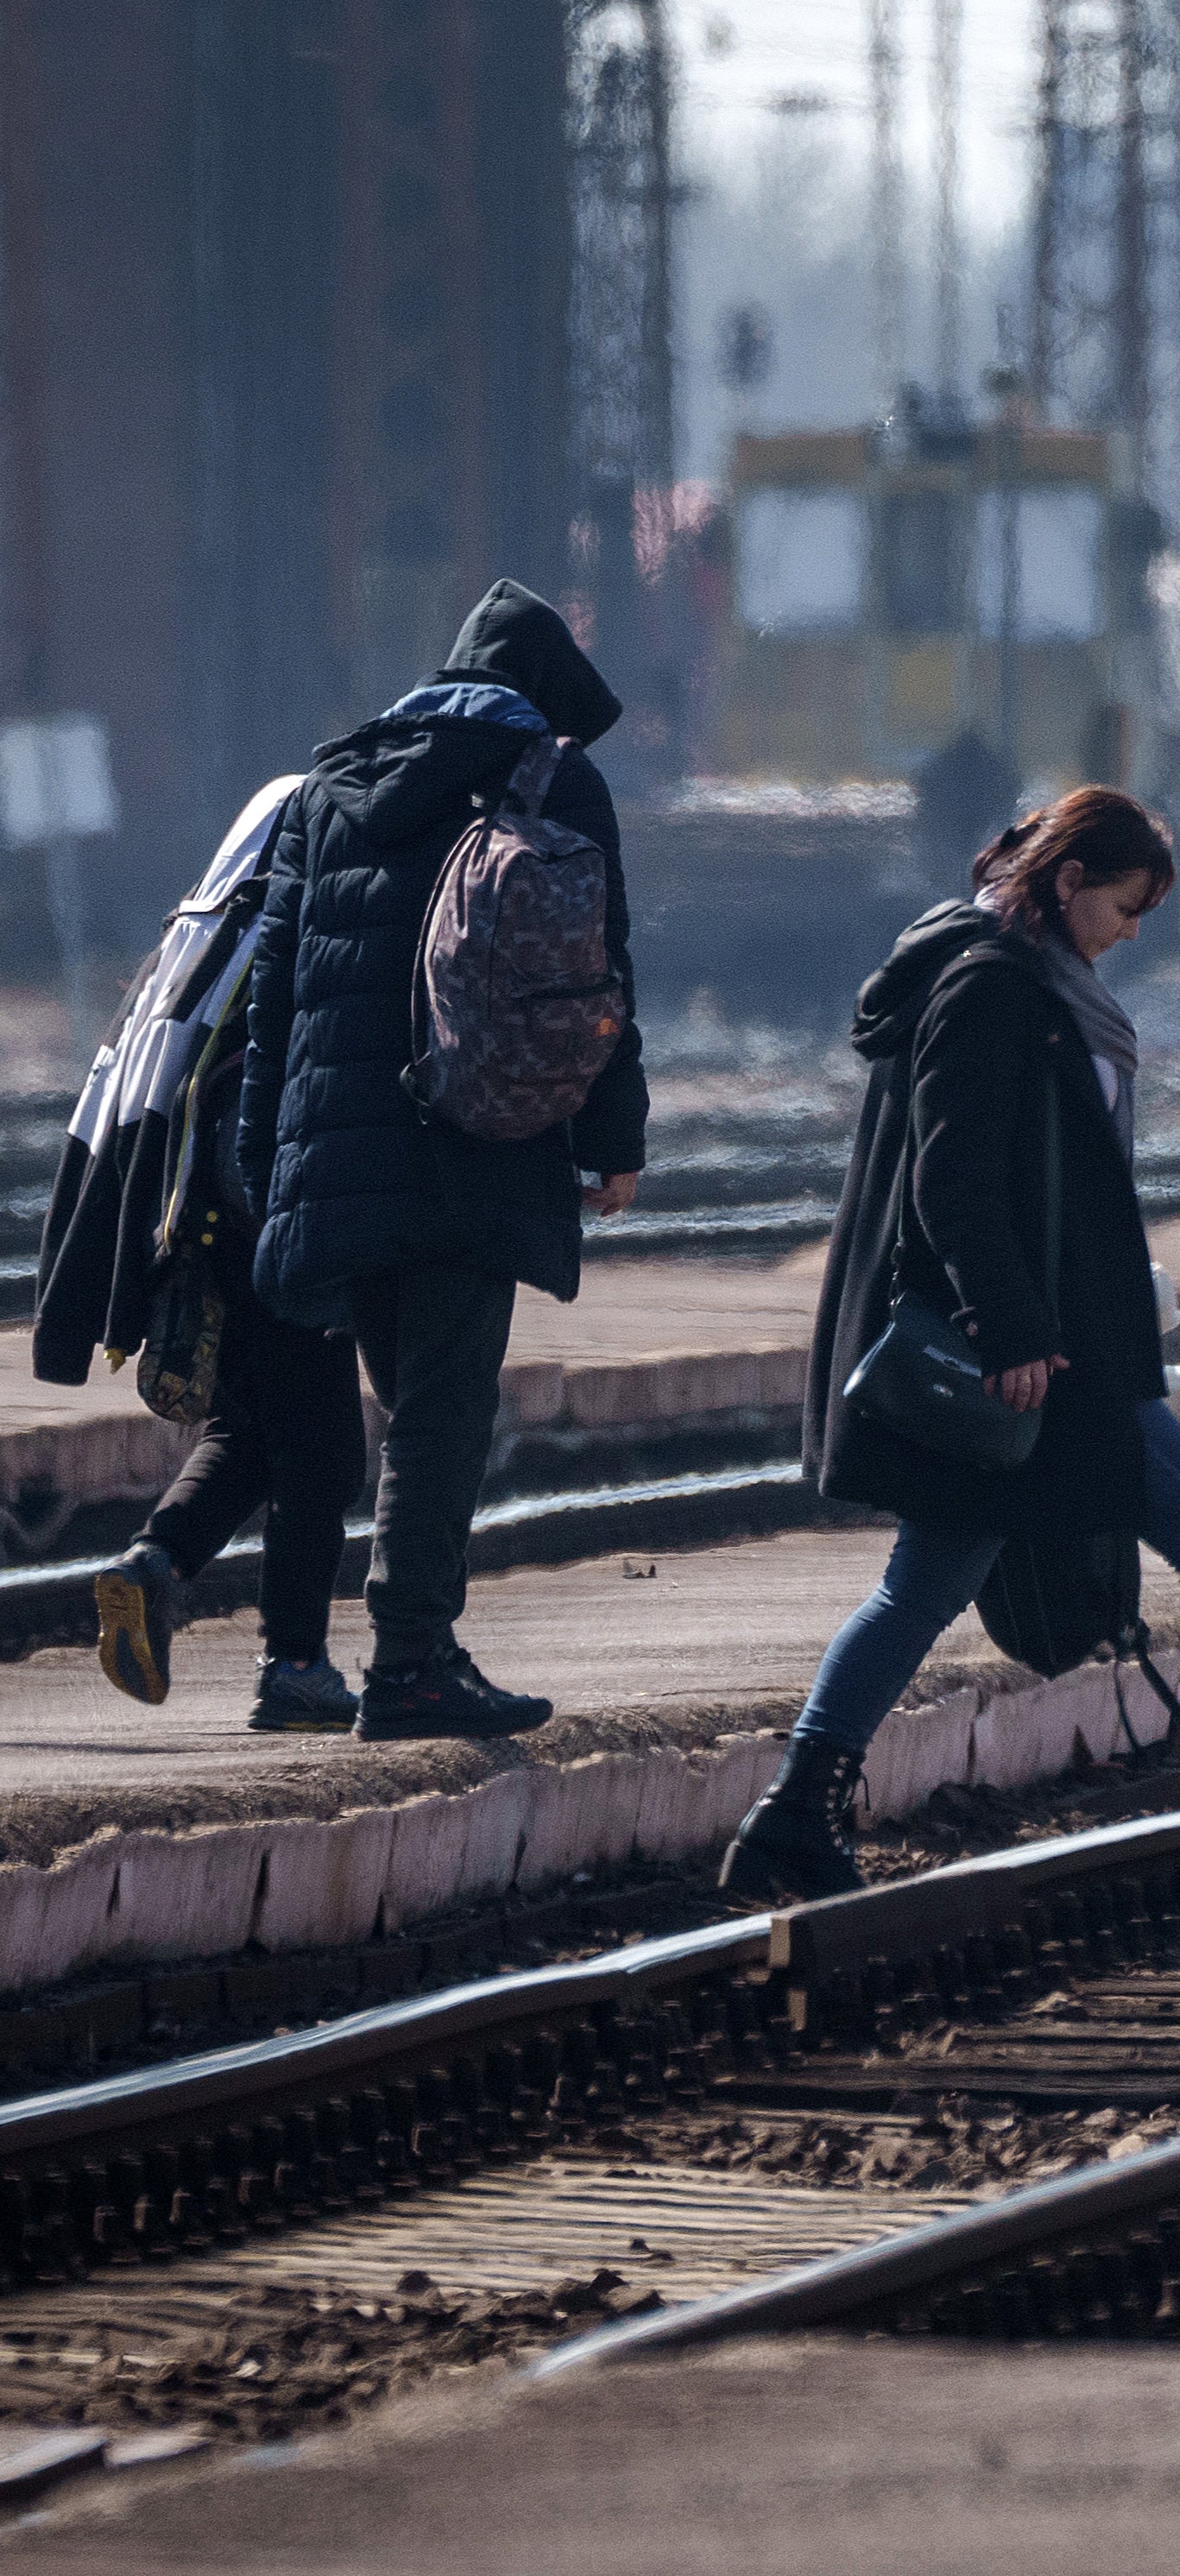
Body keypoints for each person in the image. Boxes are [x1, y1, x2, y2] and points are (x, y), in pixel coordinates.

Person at [718, 787, 1180, 1903]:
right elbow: (952, 1177)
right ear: (1066, 882)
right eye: (1124, 904)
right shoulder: (993, 985)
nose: (1131, 932)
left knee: (929, 1584)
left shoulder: (1028, 979)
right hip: (1037, 1353)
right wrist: (1008, 1326)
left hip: (1058, 1342)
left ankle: (791, 1814)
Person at [236, 579, 649, 1740]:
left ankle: (415, 1646)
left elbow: (274, 991)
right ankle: (412, 1659)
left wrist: (267, 1157)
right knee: (441, 1410)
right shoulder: (549, 779)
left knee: (411, 1402)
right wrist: (612, 1141)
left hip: (337, 1150)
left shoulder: (328, 788)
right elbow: (598, 977)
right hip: (482, 1135)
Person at [34, 779, 367, 1730]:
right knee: (326, 1450)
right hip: (271, 1226)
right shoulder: (290, 941)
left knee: (250, 1430)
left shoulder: (196, 948)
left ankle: (153, 1563)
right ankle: (294, 1665)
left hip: (199, 1227)